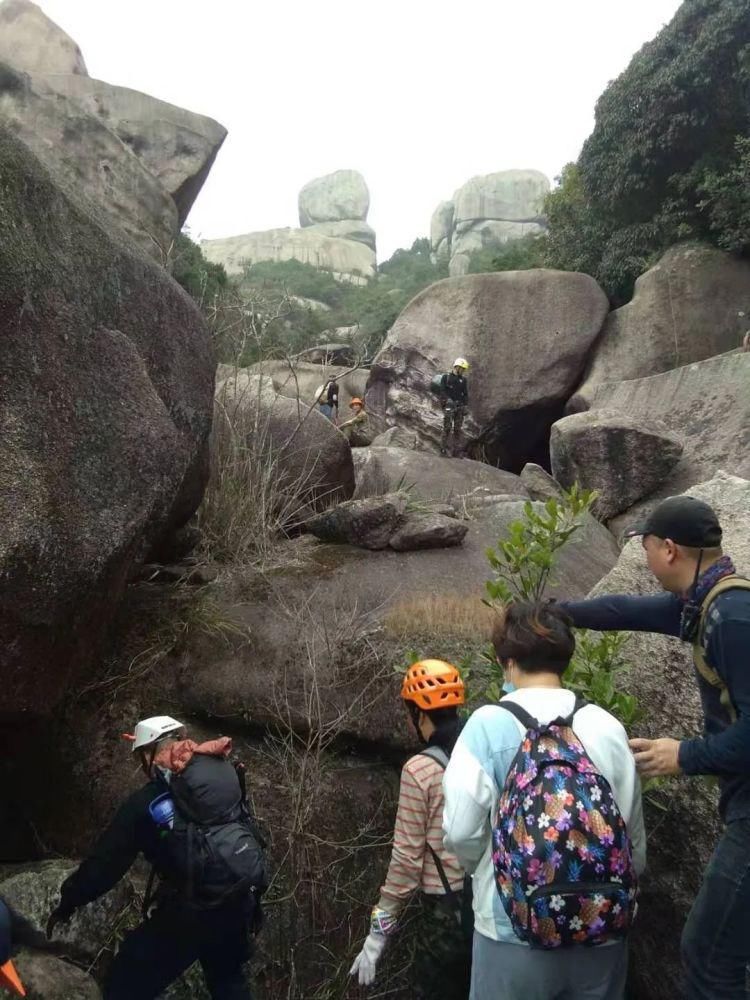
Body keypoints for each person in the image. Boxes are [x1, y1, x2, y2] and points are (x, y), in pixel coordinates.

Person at [560, 495, 750, 1000]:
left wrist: (682, 755)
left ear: (668, 549)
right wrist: (559, 613)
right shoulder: (710, 602)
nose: (644, 558)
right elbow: (629, 610)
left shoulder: (732, 617)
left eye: (645, 546)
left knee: (707, 957)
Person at [443, 601, 646, 1000]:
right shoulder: (607, 726)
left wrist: (485, 870)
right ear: (564, 658)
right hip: (601, 927)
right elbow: (632, 837)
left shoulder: (487, 726)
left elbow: (459, 832)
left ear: (507, 660)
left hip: (512, 930)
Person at [46, 716, 267, 1000]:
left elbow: (105, 864)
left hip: (192, 909)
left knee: (126, 981)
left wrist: (69, 900)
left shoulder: (147, 802)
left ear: (150, 753)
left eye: (142, 756)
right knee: (227, 979)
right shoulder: (219, 778)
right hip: (238, 898)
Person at [350, 660, 473, 999]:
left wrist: (378, 935)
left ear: (419, 714)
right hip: (493, 909)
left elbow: (405, 864)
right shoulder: (482, 752)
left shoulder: (421, 769)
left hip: (446, 916)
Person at [440, 358, 469, 456]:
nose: (463, 371)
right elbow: (442, 391)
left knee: (457, 429)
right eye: (462, 369)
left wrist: (465, 405)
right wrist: (447, 400)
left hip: (459, 406)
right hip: (449, 406)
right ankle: (443, 450)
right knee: (447, 428)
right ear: (457, 367)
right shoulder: (446, 377)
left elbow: (465, 394)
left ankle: (456, 452)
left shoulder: (463, 380)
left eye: (464, 369)